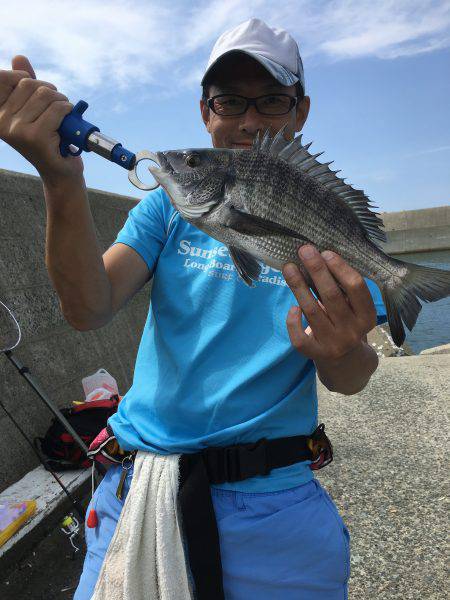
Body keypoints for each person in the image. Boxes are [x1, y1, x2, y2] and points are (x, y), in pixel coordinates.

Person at [0, 18, 387, 600]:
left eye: (272, 101)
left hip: (275, 504)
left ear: (300, 111)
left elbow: (352, 377)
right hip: (138, 487)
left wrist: (340, 353)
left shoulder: (335, 222)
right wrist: (60, 177)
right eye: (229, 101)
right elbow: (87, 308)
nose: (249, 121)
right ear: (205, 111)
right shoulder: (165, 209)